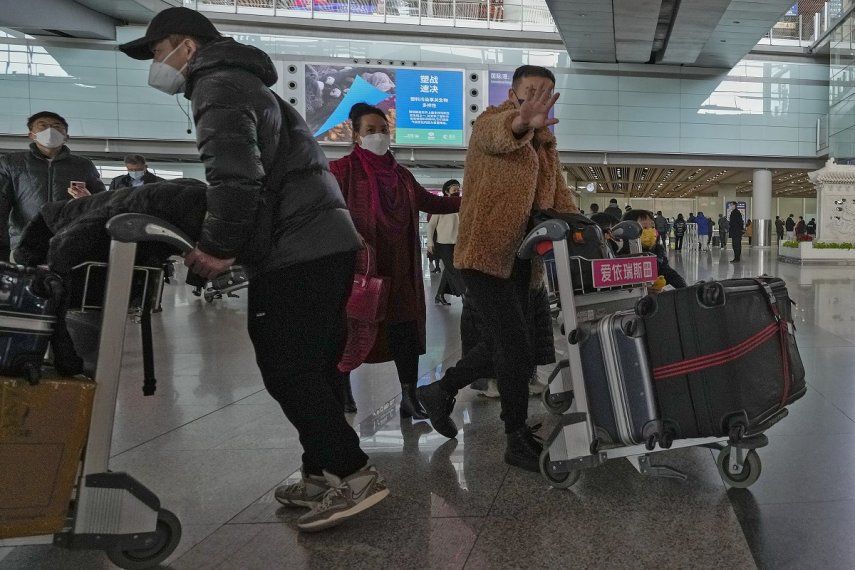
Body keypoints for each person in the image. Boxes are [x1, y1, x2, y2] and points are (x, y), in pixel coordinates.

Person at [120, 7, 387, 532]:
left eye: (157, 51)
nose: (156, 65)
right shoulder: (243, 83)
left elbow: (236, 178)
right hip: (316, 243)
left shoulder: (217, 86)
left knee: (286, 367)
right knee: (308, 365)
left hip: (299, 247)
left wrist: (217, 249)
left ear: (187, 47)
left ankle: (354, 475)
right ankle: (320, 474)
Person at [418, 65, 578, 473]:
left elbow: (559, 197)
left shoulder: (546, 145)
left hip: (523, 261)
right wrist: (521, 120)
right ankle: (514, 436)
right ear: (513, 92)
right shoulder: (491, 123)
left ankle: (441, 390)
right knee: (513, 346)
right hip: (485, 255)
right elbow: (498, 134)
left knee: (510, 343)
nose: (536, 99)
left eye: (545, 92)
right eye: (530, 91)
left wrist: (587, 229)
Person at [329, 103, 460, 420]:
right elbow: (327, 211)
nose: (378, 136)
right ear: (356, 134)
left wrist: (469, 200)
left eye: (383, 130)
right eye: (370, 130)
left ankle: (409, 396)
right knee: (352, 331)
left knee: (404, 332)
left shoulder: (402, 176)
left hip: (401, 269)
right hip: (361, 269)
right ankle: (343, 391)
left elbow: (431, 203)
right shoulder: (341, 171)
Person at [0, 111, 105, 261]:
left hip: (70, 241)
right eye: (43, 126)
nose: (50, 131)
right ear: (31, 135)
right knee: (26, 282)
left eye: (57, 127)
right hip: (25, 242)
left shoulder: (83, 165)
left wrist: (88, 199)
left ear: (66, 137)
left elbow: (101, 202)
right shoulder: (11, 163)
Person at [621, 210, 687, 288]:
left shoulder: (657, 250)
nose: (651, 231)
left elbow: (668, 273)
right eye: (645, 227)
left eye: (652, 227)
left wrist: (685, 289)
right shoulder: (621, 252)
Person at [428, 179, 464, 306]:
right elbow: (431, 225)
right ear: (447, 191)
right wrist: (429, 243)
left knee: (449, 270)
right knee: (455, 269)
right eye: (454, 188)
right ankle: (465, 295)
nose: (457, 189)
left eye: (458, 188)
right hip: (443, 244)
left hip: (457, 244)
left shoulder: (460, 206)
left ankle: (439, 295)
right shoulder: (442, 206)